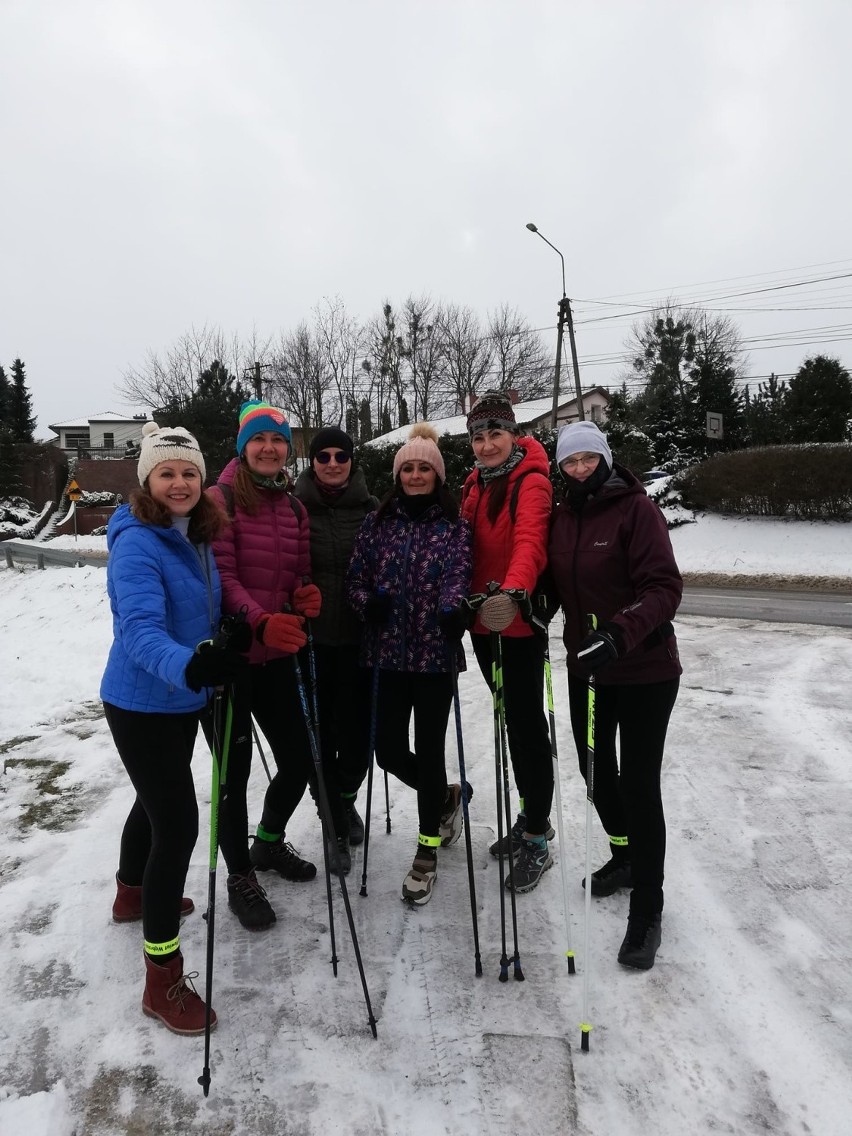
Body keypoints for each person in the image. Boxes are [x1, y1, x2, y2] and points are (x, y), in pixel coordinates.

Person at [101, 422, 246, 1035]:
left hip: (181, 696)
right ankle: (161, 980)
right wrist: (190, 664)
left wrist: (231, 637)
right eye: (167, 473)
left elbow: (200, 609)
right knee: (179, 823)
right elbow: (139, 631)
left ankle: (131, 893)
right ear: (147, 481)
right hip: (142, 700)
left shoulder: (198, 533)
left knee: (154, 801)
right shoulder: (137, 542)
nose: (180, 482)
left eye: (189, 472)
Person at [548, 420, 682, 971]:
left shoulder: (635, 510)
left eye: (587, 459)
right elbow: (559, 583)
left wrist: (620, 632)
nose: (579, 469)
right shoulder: (562, 517)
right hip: (591, 672)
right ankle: (624, 856)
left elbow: (664, 587)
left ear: (603, 460)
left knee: (639, 783)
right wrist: (535, 606)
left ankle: (648, 907)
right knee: (595, 771)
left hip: (646, 669)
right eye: (569, 462)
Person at [205, 399, 320, 931]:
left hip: (278, 655)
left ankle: (268, 843)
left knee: (299, 758)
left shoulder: (294, 507)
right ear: (243, 447)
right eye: (260, 440)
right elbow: (221, 579)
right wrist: (259, 619)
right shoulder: (220, 499)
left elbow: (296, 570)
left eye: (278, 440)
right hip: (234, 657)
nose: (270, 448)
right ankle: (239, 875)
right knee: (234, 773)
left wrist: (304, 597)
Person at [346, 424, 472, 906]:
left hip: (435, 655)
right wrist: (366, 604)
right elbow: (356, 579)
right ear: (397, 475)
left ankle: (427, 850)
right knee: (388, 751)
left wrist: (453, 608)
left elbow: (460, 575)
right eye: (408, 468)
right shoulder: (376, 525)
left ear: (437, 476)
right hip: (385, 655)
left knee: (430, 748)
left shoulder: (454, 528)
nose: (416, 475)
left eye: (424, 468)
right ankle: (444, 797)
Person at [460, 391, 555, 893]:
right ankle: (529, 815)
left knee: (526, 728)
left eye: (496, 433)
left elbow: (530, 542)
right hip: (482, 626)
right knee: (509, 723)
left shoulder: (531, 481)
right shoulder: (475, 484)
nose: (488, 443)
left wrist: (516, 592)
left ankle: (538, 836)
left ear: (514, 434)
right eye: (479, 436)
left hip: (516, 626)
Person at [293, 427, 378, 874]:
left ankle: (345, 801)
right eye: (322, 455)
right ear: (311, 461)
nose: (331, 462)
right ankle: (333, 825)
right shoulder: (293, 508)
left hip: (362, 642)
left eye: (340, 455)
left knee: (359, 742)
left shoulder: (371, 509)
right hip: (313, 643)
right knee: (320, 740)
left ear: (351, 460)